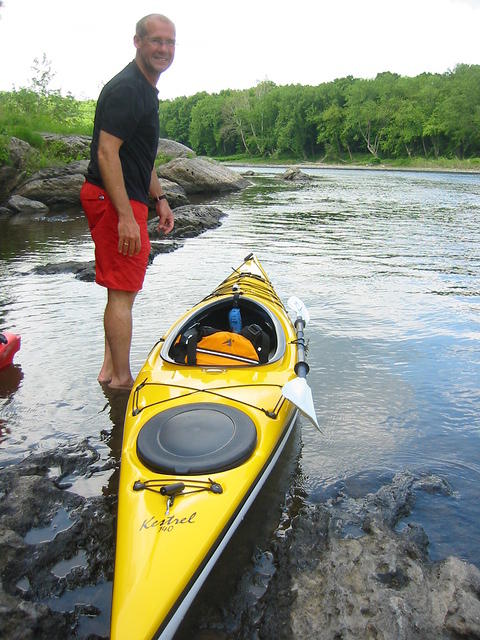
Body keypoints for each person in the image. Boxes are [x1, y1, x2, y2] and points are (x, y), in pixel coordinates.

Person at [80, 14, 175, 389]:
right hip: (113, 199)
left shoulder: (144, 89)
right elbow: (107, 153)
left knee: (121, 292)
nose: (163, 49)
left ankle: (108, 370)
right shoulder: (127, 89)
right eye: (156, 41)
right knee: (121, 294)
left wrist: (160, 198)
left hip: (127, 199)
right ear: (137, 42)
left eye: (170, 43)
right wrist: (124, 217)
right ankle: (120, 380)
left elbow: (139, 156)